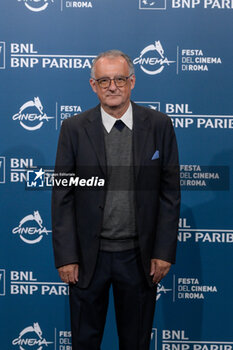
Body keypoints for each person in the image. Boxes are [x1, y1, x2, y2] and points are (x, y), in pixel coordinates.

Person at [52, 49, 180, 350]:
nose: (113, 86)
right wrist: (67, 256)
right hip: (86, 259)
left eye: (120, 79)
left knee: (135, 342)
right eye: (104, 80)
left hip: (139, 257)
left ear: (132, 81)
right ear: (93, 85)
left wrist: (163, 251)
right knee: (85, 342)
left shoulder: (159, 125)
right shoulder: (73, 129)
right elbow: (62, 196)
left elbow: (170, 193)